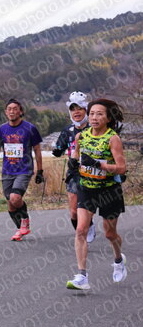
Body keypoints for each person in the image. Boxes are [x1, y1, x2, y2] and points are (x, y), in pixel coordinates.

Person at [67, 98, 128, 290]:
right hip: (86, 189)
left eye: (99, 114)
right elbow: (76, 155)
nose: (94, 117)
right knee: (80, 230)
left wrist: (98, 165)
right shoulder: (81, 136)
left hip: (109, 190)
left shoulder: (112, 138)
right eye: (92, 113)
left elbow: (121, 168)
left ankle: (118, 260)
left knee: (110, 233)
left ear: (108, 118)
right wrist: (73, 163)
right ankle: (82, 276)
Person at [0, 99, 44, 240]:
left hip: (24, 170)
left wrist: (40, 171)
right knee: (11, 204)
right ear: (6, 112)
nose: (12, 111)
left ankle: (25, 221)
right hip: (7, 171)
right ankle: (20, 229)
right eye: (9, 109)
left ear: (20, 111)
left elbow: (37, 150)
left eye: (15, 109)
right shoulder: (1, 129)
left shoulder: (30, 128)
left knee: (15, 198)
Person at [51, 92, 96, 243]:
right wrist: (57, 150)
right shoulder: (67, 130)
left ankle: (86, 228)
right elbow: (60, 147)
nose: (76, 112)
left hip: (93, 172)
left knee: (87, 207)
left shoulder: (94, 128)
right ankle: (83, 231)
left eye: (79, 109)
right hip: (74, 173)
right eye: (72, 109)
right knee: (74, 212)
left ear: (86, 110)